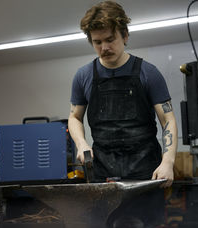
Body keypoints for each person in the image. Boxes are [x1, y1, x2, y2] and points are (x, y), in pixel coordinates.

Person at [68, 1, 177, 187]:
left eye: (110, 40)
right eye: (97, 42)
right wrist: (81, 144)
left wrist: (168, 162)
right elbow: (75, 117)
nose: (104, 48)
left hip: (146, 171)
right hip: (102, 172)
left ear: (125, 36)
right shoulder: (83, 76)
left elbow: (168, 119)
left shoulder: (149, 73)